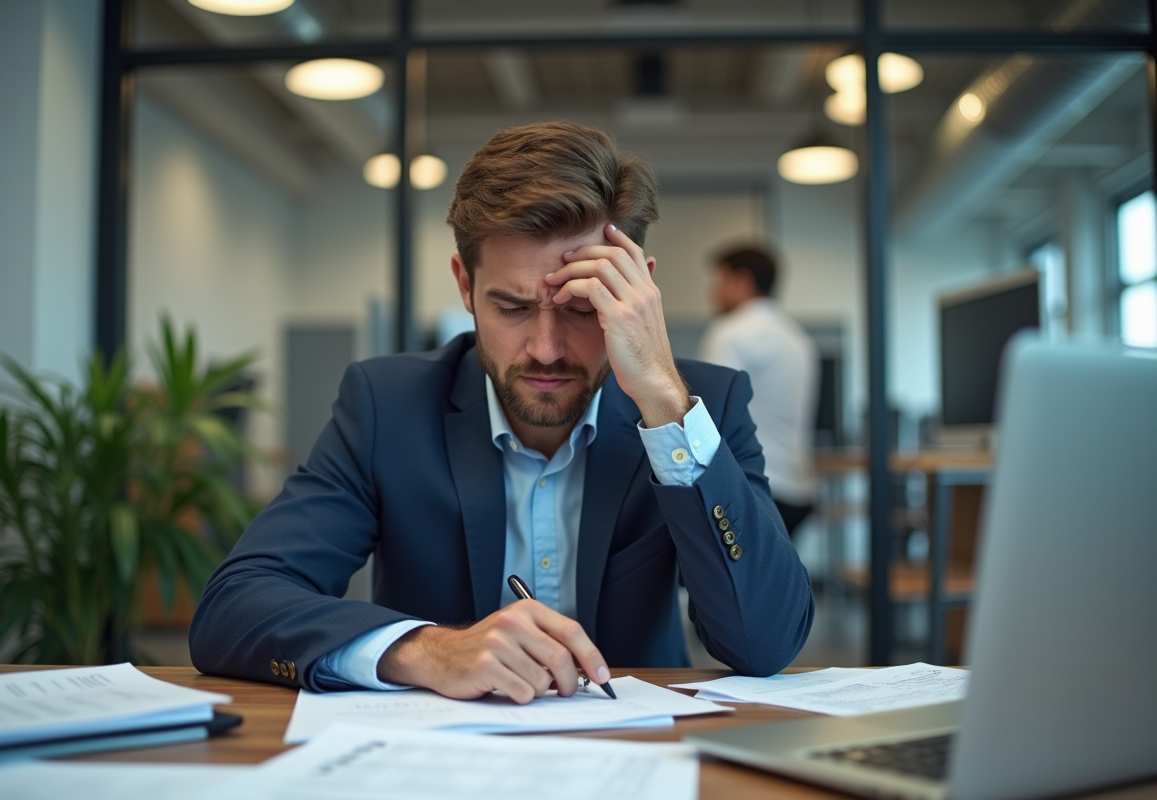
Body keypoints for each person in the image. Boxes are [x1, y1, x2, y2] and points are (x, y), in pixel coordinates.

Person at [190, 122, 814, 703]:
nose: (545, 350)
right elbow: (235, 608)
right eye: (512, 308)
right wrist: (425, 650)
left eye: (580, 308)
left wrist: (665, 406)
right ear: (464, 285)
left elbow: (765, 643)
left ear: (637, 291)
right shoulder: (388, 407)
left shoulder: (700, 406)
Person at [699, 246, 819, 537]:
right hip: (797, 491)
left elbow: (707, 419)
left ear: (743, 281)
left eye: (720, 282)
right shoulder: (798, 338)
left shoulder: (731, 332)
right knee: (773, 582)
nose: (712, 293)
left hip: (754, 492)